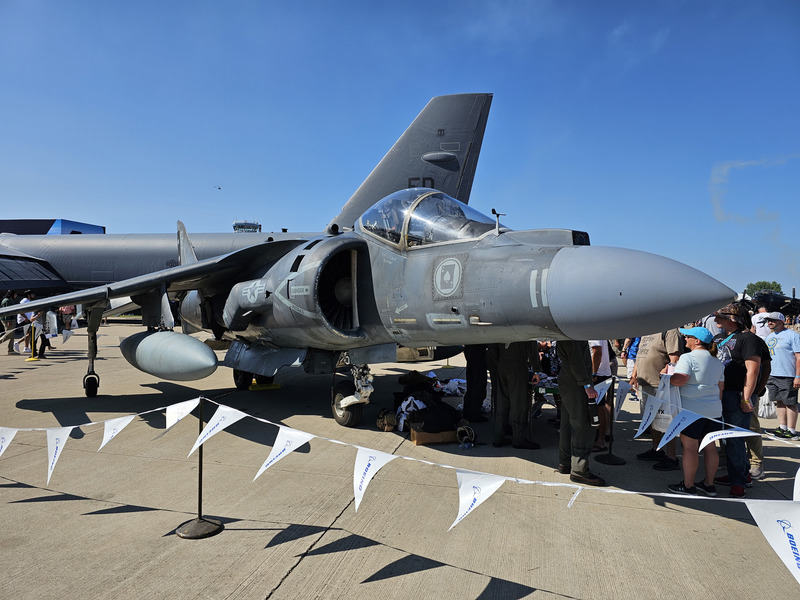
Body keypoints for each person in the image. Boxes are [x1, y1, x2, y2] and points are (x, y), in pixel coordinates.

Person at [712, 303, 771, 498]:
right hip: (722, 392)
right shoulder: (719, 338)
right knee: (726, 439)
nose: (716, 319)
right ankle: (741, 474)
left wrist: (747, 397)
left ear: (733, 319)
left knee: (734, 439)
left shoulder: (749, 339)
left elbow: (754, 370)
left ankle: (738, 483)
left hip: (738, 394)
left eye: (720, 316)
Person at [666, 327, 724, 496]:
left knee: (690, 448)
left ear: (697, 341)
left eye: (688, 337)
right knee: (710, 447)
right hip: (714, 409)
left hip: (691, 409)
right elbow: (721, 388)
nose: (685, 339)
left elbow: (680, 380)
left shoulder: (688, 357)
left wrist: (666, 377)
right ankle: (709, 484)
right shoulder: (717, 361)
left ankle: (688, 485)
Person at [630, 329, 684, 470]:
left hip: (660, 385)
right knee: (652, 419)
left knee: (667, 420)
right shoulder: (648, 330)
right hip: (646, 383)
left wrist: (668, 381)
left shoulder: (670, 331)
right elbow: (640, 355)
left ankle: (671, 456)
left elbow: (675, 359)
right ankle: (656, 450)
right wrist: (634, 375)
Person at [556, 340, 605, 486]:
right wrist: (587, 384)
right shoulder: (573, 333)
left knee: (567, 423)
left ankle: (565, 462)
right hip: (576, 383)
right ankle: (579, 469)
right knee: (582, 425)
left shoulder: (566, 331)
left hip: (568, 380)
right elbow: (576, 359)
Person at [489, 341, 541, 449]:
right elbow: (532, 346)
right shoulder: (524, 325)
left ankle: (498, 436)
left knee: (501, 402)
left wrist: (496, 365)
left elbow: (492, 346)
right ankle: (519, 439)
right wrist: (536, 369)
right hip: (517, 365)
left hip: (502, 363)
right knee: (519, 403)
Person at [762, 312, 800, 440]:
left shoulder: (792, 335)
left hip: (788, 374)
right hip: (772, 374)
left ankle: (792, 430)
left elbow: (798, 357)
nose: (770, 322)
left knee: (790, 402)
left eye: (773, 320)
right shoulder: (770, 336)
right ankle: (782, 427)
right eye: (768, 320)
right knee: (779, 401)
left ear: (781, 321)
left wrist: (798, 376)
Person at [462, 344, 489, 422]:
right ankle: (474, 413)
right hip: (478, 350)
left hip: (470, 349)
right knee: (479, 384)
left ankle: (467, 411)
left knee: (471, 382)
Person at [1, 290, 19, 354]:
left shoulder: (8, 300)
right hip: (8, 320)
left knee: (12, 335)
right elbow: (6, 311)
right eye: (15, 294)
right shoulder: (7, 301)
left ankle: (11, 350)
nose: (16, 296)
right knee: (8, 335)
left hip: (11, 319)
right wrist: (8, 320)